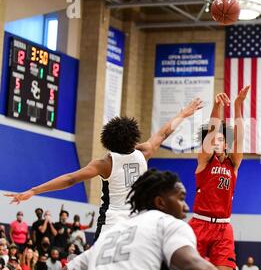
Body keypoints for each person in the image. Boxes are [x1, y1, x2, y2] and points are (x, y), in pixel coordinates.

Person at [5, 99, 204, 241]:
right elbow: (164, 132)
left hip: (112, 223)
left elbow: (70, 179)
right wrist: (183, 114)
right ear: (133, 138)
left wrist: (33, 190)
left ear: (108, 141)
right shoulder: (144, 152)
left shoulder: (105, 163)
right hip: (138, 221)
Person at [44, 169, 235, 270]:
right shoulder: (167, 224)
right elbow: (193, 266)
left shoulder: (110, 234)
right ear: (160, 202)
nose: (186, 207)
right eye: (181, 198)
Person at [188, 86, 250, 270]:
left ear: (226, 144)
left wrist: (238, 105)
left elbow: (239, 137)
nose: (215, 141)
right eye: (213, 139)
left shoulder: (233, 164)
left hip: (223, 227)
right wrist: (216, 107)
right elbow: (212, 131)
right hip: (199, 223)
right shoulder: (205, 161)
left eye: (220, 139)